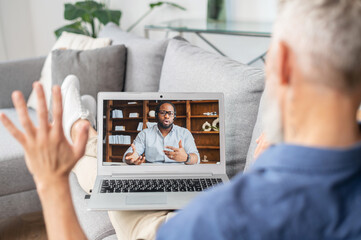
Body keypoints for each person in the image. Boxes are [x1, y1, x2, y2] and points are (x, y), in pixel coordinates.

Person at [1, 0, 361, 239]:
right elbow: (127, 158)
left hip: (164, 220)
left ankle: (82, 126)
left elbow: (201, 167)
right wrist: (135, 158)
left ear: (280, 63)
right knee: (112, 167)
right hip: (173, 189)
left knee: (93, 163)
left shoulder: (217, 220)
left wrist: (49, 182)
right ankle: (85, 126)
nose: (169, 116)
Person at [123, 101, 200, 165]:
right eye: (163, 113)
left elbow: (196, 158)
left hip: (178, 172)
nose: (166, 116)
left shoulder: (184, 133)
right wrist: (131, 158)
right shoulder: (145, 134)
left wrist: (186, 158)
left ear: (174, 117)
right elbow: (129, 154)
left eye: (170, 113)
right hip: (152, 173)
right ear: (156, 115)